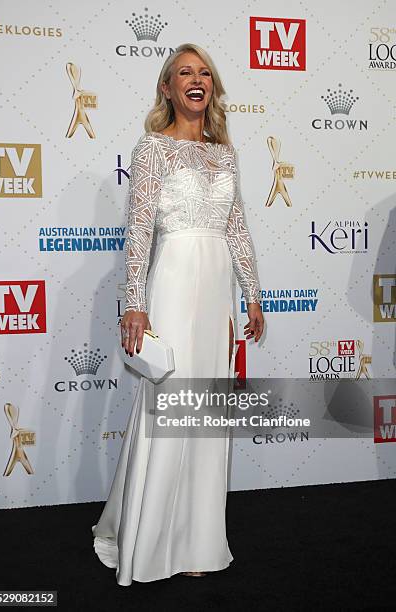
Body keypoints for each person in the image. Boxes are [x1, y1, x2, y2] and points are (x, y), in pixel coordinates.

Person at [91, 42, 264, 586]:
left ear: (211, 88)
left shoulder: (225, 152)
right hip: (171, 280)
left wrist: (253, 295)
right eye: (185, 73)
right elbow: (140, 227)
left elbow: (236, 228)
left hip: (215, 289)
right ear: (167, 88)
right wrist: (136, 303)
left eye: (205, 73)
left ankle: (197, 540)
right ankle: (150, 544)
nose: (197, 80)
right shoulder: (152, 149)